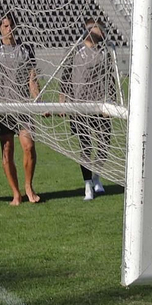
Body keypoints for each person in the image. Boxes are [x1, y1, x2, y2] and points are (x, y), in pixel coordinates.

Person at [0, 13, 41, 206]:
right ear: (0, 28)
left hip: (23, 107)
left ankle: (28, 186)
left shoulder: (26, 49)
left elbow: (32, 79)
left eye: (12, 25)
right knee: (7, 152)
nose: (10, 29)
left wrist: (39, 101)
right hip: (3, 109)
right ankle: (16, 193)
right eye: (6, 26)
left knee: (29, 147)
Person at [58, 19, 117, 200]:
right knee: (85, 145)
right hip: (80, 105)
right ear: (91, 30)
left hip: (100, 105)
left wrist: (112, 101)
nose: (104, 32)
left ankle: (96, 176)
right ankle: (87, 185)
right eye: (101, 29)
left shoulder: (105, 52)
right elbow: (65, 76)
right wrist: (63, 100)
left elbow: (111, 78)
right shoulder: (75, 50)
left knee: (104, 142)